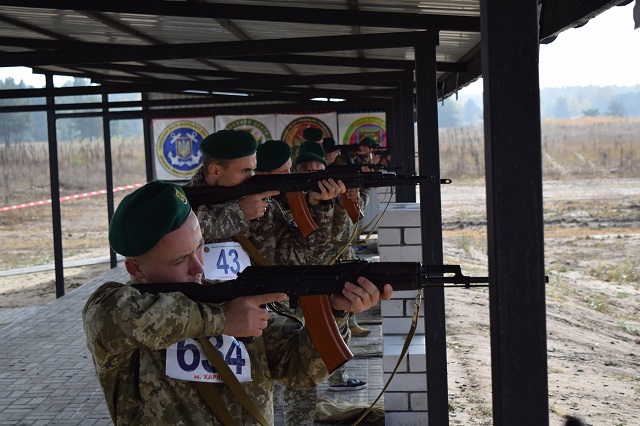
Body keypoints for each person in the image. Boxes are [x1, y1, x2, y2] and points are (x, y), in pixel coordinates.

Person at [82, 180, 393, 425]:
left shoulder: (229, 296)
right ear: (136, 268)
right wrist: (222, 321)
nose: (199, 267)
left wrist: (337, 310)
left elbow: (299, 370)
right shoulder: (113, 309)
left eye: (200, 247)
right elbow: (120, 318)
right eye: (179, 260)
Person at [295, 141, 374, 391]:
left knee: (337, 323)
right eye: (313, 169)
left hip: (331, 263)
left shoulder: (317, 194)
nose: (317, 173)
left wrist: (342, 203)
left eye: (320, 168)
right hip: (313, 270)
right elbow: (327, 235)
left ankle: (336, 377)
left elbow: (344, 228)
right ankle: (325, 383)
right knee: (307, 334)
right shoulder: (295, 199)